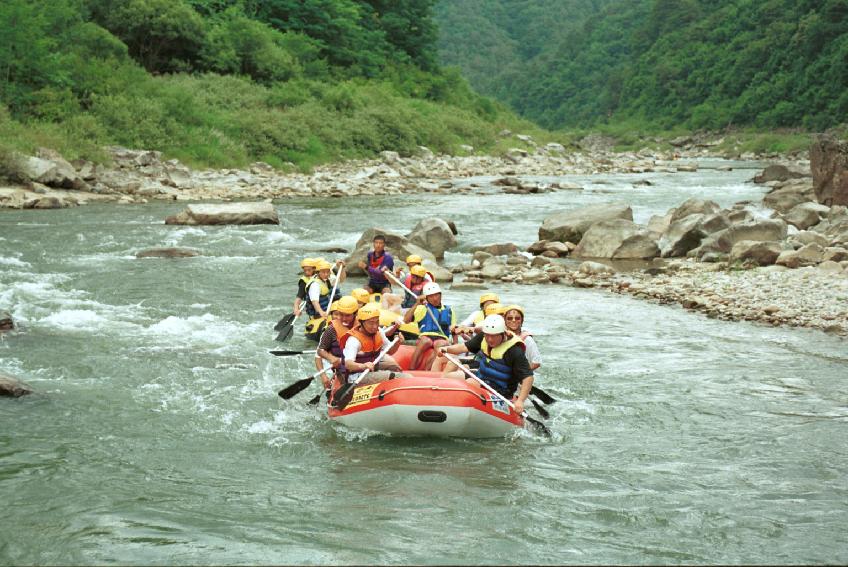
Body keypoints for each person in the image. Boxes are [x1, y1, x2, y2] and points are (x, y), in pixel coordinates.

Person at [436, 314, 534, 414]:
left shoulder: (514, 351)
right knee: (449, 373)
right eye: (487, 335)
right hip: (481, 378)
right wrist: (447, 349)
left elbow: (528, 377)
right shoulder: (484, 337)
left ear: (502, 334)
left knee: (470, 382)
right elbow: (463, 347)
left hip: (501, 390)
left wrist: (520, 401)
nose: (490, 339)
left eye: (494, 336)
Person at [339, 302, 410, 386]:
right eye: (371, 323)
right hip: (356, 376)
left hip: (372, 366)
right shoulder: (354, 340)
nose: (374, 326)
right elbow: (348, 364)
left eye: (377, 322)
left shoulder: (378, 332)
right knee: (394, 376)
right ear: (361, 322)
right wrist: (363, 366)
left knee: (394, 367)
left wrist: (397, 343)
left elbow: (390, 351)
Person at [402, 282, 455, 370]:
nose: (434, 298)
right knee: (425, 341)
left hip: (441, 337)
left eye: (436, 295)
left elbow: (453, 330)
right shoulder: (422, 308)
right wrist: (417, 304)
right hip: (425, 335)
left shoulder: (449, 310)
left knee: (441, 344)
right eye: (431, 296)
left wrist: (454, 345)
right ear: (426, 297)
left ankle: (427, 371)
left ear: (440, 295)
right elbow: (406, 320)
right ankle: (411, 369)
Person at [315, 296, 360, 390]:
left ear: (355, 314)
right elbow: (319, 354)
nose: (343, 318)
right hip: (340, 370)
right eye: (340, 314)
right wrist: (323, 377)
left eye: (347, 315)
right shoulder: (330, 330)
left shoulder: (362, 325)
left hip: (359, 367)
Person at [502, 305, 541, 371]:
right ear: (504, 320)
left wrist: (521, 373)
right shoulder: (499, 337)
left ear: (522, 320)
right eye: (509, 318)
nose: (513, 320)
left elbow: (536, 363)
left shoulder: (528, 340)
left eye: (517, 318)